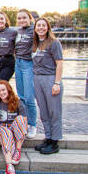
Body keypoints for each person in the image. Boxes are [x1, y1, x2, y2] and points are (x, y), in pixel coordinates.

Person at [32, 18, 63, 154]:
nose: (41, 28)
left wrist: (57, 83)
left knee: (54, 111)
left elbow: (60, 63)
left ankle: (55, 142)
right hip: (37, 79)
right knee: (43, 111)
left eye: (43, 26)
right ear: (35, 28)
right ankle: (48, 137)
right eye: (38, 26)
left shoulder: (54, 43)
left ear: (48, 27)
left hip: (50, 78)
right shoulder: (35, 44)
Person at [0, 80, 28, 174]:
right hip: (3, 127)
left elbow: (24, 122)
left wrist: (19, 133)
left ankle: (17, 150)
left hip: (15, 127)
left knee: (20, 119)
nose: (1, 93)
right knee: (6, 135)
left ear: (8, 89)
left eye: (3, 90)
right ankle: (9, 168)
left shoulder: (17, 102)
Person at [15, 9, 38, 138]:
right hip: (17, 62)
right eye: (19, 18)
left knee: (29, 97)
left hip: (28, 63)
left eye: (24, 18)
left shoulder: (33, 30)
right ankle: (24, 123)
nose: (22, 20)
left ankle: (33, 124)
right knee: (21, 96)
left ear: (30, 18)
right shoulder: (19, 31)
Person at [0, 11, 17, 82]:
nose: (0, 21)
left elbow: (18, 46)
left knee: (2, 82)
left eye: (1, 19)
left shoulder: (13, 32)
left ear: (5, 20)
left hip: (8, 60)